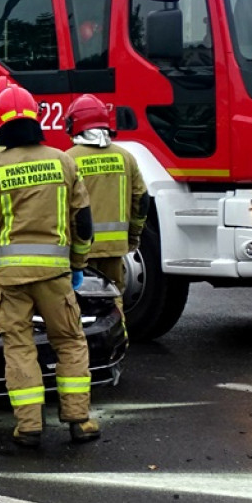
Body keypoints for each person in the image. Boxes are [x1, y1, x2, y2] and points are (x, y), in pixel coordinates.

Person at [0, 85, 99, 448]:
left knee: (19, 347)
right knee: (71, 342)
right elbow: (83, 222)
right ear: (35, 117)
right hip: (56, 276)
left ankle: (29, 427)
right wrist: (78, 264)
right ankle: (78, 419)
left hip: (9, 280)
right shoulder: (63, 161)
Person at [64, 94, 148, 328]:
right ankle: (117, 348)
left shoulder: (68, 160)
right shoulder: (126, 157)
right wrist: (134, 236)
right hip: (115, 249)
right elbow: (141, 200)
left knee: (79, 305)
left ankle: (86, 354)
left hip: (80, 251)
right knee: (113, 302)